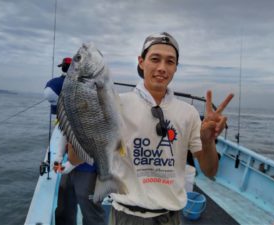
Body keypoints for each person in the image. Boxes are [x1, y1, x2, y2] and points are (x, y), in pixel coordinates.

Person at [68, 32, 234, 225]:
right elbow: (74, 158)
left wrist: (208, 141)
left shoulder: (189, 113)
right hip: (126, 216)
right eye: (155, 59)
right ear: (141, 62)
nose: (162, 68)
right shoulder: (115, 104)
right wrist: (81, 116)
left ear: (176, 68)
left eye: (170, 62)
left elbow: (210, 171)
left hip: (171, 217)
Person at [44, 57, 106, 225]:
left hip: (89, 168)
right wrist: (58, 156)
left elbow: (93, 140)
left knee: (90, 209)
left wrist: (71, 163)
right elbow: (64, 129)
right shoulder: (69, 100)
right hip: (70, 164)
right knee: (64, 202)